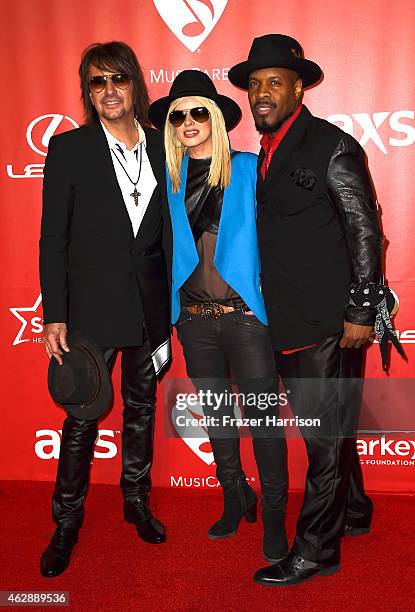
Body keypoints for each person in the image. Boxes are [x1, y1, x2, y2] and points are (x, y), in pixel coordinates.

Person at [229, 34, 402, 586]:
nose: (262, 93)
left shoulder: (330, 145)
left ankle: (316, 552)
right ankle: (353, 510)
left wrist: (360, 308)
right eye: (255, 84)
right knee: (331, 432)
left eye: (273, 82)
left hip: (331, 322)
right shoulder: (266, 153)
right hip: (289, 319)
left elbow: (364, 229)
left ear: (298, 87)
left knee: (323, 443)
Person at [39, 41, 172, 578]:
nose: (109, 90)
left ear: (135, 85)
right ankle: (66, 521)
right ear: (88, 93)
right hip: (91, 308)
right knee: (82, 416)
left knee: (142, 408)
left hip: (150, 303)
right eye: (98, 82)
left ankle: (135, 500)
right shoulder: (70, 149)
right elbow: (54, 238)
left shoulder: (165, 145)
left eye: (118, 79)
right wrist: (55, 313)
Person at [149, 70, 288, 563]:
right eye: (178, 114)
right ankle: (235, 497)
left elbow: (288, 233)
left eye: (199, 111)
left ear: (217, 119)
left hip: (246, 318)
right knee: (217, 417)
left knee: (264, 422)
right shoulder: (166, 180)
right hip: (194, 320)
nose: (188, 121)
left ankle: (274, 516)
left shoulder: (250, 168)